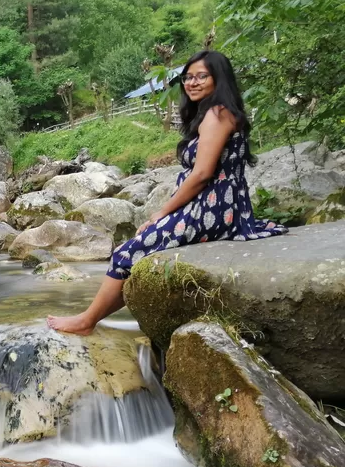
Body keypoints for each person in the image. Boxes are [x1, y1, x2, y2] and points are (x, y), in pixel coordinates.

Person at [47, 50, 287, 336]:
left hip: (212, 210)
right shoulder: (217, 113)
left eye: (201, 76)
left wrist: (161, 213)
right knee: (138, 247)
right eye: (188, 77)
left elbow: (202, 174)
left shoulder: (217, 114)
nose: (192, 83)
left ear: (219, 79)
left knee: (126, 253)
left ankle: (86, 321)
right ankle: (90, 317)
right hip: (217, 207)